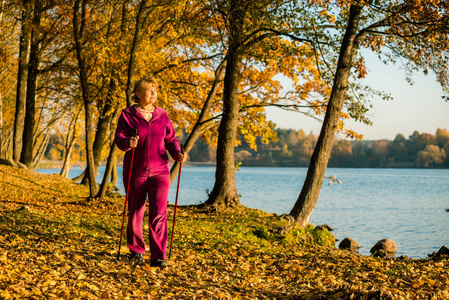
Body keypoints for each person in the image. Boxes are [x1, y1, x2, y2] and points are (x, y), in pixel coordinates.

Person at [115, 76, 187, 268]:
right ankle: (137, 250)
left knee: (159, 213)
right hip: (135, 170)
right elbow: (119, 137)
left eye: (155, 90)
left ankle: (158, 256)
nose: (153, 93)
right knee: (136, 211)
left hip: (160, 171)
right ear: (138, 94)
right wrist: (127, 143)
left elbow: (170, 139)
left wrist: (177, 153)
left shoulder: (162, 114)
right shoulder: (127, 114)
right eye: (149, 90)